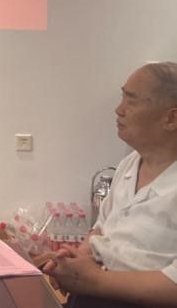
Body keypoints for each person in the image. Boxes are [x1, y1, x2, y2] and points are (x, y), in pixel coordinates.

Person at [43, 62, 177, 308]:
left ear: (171, 118)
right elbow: (101, 229)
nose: (119, 110)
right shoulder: (130, 164)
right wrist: (76, 259)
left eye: (131, 101)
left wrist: (92, 281)